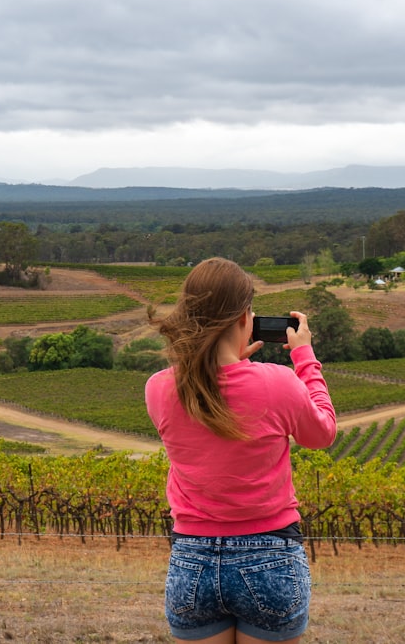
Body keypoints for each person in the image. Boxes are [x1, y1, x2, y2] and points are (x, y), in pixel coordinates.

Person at [145, 257, 337, 643]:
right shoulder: (278, 383)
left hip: (192, 562)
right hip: (270, 557)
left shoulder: (160, 388)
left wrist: (230, 365)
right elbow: (322, 433)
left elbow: (211, 397)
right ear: (244, 319)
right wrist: (304, 357)